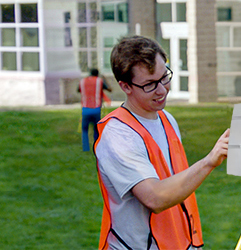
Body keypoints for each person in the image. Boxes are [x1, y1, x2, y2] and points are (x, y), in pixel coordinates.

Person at [93, 35, 230, 250]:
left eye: (164, 77)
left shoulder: (167, 119)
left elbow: (177, 185)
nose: (162, 90)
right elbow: (154, 198)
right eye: (149, 84)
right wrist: (209, 162)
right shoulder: (118, 134)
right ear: (125, 86)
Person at [78, 68, 111, 152]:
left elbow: (78, 90)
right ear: (97, 74)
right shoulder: (99, 81)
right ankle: (96, 147)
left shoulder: (83, 81)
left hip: (85, 109)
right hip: (96, 109)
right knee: (96, 129)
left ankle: (85, 148)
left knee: (84, 129)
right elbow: (110, 89)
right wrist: (105, 79)